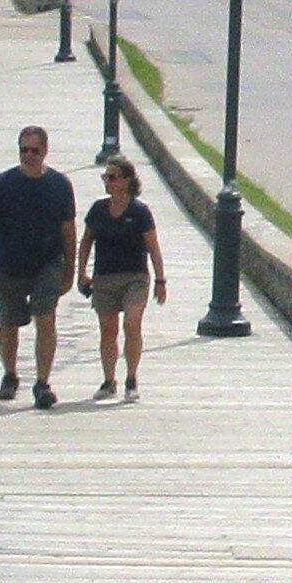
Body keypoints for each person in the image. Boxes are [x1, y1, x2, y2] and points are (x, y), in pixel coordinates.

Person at [0, 122, 78, 407]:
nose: (29, 156)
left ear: (45, 151)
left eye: (34, 150)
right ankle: (10, 374)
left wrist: (70, 271)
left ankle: (42, 383)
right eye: (24, 150)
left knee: (45, 318)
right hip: (9, 265)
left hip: (47, 264)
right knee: (10, 322)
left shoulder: (59, 185)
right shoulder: (2, 185)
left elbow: (68, 231)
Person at [82, 155, 169, 401]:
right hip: (105, 277)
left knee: (132, 323)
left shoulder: (139, 212)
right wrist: (81, 273)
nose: (107, 182)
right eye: (105, 177)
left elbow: (153, 247)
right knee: (108, 330)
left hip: (135, 277)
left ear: (127, 181)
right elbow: (86, 241)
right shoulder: (99, 209)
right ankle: (109, 380)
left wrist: (161, 280)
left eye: (112, 177)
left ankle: (132, 377)